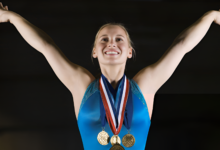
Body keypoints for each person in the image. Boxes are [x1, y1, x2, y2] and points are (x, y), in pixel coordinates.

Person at [1, 2, 220, 150]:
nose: (111, 43)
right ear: (94, 51)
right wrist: (11, 17)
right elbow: (46, 46)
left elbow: (181, 46)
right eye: (104, 39)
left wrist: (211, 16)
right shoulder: (82, 84)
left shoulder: (144, 85)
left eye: (119, 39)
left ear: (130, 51)